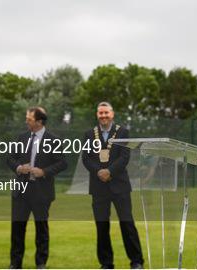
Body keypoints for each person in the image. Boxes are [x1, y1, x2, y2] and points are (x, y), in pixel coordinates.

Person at [82, 102, 143, 269]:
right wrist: (99, 172)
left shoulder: (123, 132)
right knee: (102, 226)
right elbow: (86, 159)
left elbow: (125, 157)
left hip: (120, 186)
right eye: (100, 113)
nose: (103, 116)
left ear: (112, 114)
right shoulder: (89, 134)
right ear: (97, 115)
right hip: (98, 187)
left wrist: (109, 171)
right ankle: (106, 263)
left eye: (106, 113)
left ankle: (136, 261)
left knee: (127, 223)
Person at [7, 107, 68, 269]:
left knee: (41, 229)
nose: (26, 121)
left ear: (39, 121)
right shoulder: (21, 137)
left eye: (29, 119)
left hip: (41, 191)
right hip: (21, 190)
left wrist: (44, 172)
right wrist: (19, 168)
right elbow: (10, 158)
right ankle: (15, 263)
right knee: (17, 228)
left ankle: (41, 263)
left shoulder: (54, 140)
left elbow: (62, 163)